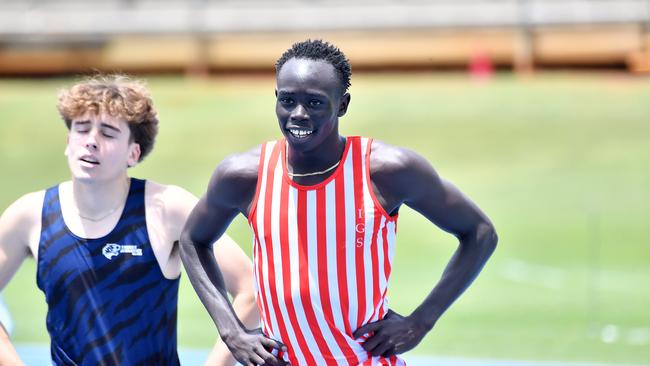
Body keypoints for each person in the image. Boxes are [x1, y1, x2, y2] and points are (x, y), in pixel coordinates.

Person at [180, 39, 498, 366]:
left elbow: (480, 233)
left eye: (315, 103)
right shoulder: (245, 175)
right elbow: (193, 240)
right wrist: (231, 332)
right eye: (288, 101)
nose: (298, 115)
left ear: (342, 105)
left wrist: (421, 322)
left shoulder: (386, 171)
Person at [0, 75, 258, 366]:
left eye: (108, 134)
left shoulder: (167, 208)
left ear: (133, 152)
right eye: (82, 130)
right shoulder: (30, 215)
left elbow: (250, 287)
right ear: (67, 142)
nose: (91, 142)